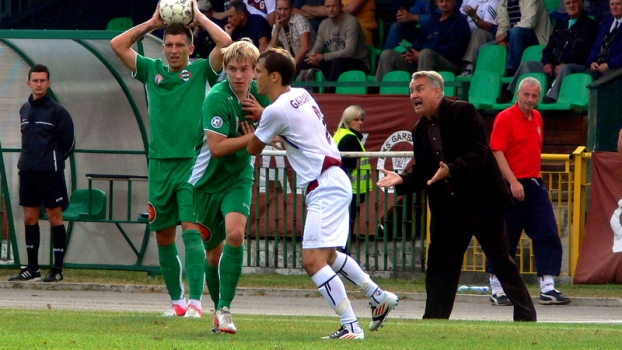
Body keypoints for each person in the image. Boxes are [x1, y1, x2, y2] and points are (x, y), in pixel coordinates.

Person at [247, 48, 400, 339]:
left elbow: (253, 148)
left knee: (312, 261)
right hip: (335, 179)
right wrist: (266, 116)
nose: (255, 76)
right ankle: (378, 296)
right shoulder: (301, 94)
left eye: (258, 71)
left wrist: (258, 122)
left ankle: (350, 326)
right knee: (329, 256)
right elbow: (292, 126)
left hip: (324, 185)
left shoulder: (276, 110)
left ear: (274, 76)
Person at [376, 70, 537, 322]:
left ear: (437, 91)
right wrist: (402, 180)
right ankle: (434, 320)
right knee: (440, 265)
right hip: (448, 209)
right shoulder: (419, 130)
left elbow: (479, 153)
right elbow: (424, 173)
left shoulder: (463, 112)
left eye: (419, 89)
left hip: (482, 201)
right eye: (411, 90)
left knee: (500, 260)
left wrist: (451, 168)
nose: (413, 95)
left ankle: (526, 316)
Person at [110, 0, 232, 318]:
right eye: (168, 45)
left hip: (193, 162)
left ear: (191, 48)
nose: (173, 50)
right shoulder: (152, 70)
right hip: (159, 163)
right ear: (162, 47)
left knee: (192, 232)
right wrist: (152, 23)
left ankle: (195, 303)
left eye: (180, 45)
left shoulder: (203, 69)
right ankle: (176, 302)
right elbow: (117, 44)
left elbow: (227, 44)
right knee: (163, 235)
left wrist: (200, 17)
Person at [188, 39, 270, 334]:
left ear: (254, 70)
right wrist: (253, 139)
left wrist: (264, 116)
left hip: (238, 177)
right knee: (213, 254)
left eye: (245, 69)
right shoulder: (217, 98)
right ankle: (216, 309)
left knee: (236, 233)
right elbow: (218, 146)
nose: (238, 75)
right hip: (206, 182)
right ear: (224, 69)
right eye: (232, 69)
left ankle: (225, 310)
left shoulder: (262, 96)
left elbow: (272, 132)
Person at [487, 77, 571, 306]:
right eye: (527, 95)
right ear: (518, 94)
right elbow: (497, 151)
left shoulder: (538, 117)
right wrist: (513, 182)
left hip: (534, 183)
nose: (530, 100)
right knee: (505, 238)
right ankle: (497, 287)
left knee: (548, 233)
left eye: (535, 96)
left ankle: (548, 286)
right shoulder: (505, 118)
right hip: (509, 184)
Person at [9, 64, 75, 283]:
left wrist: (52, 161)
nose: (38, 84)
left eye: (42, 80)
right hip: (28, 173)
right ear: (28, 83)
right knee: (29, 217)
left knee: (55, 218)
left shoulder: (58, 111)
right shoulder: (24, 110)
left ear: (48, 83)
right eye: (34, 80)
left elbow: (69, 143)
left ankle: (57, 269)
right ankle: (32, 268)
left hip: (51, 174)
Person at [505, 0, 597, 102]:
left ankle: (551, 97)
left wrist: (564, 63)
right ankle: (512, 94)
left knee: (565, 68)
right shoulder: (561, 25)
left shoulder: (589, 25)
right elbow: (549, 48)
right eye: (568, 3)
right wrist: (547, 63)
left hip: (576, 65)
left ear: (582, 4)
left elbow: (582, 51)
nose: (571, 5)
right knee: (526, 65)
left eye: (574, 2)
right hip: (554, 66)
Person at [375, 0, 470, 81]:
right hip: (422, 62)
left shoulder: (460, 21)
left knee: (425, 53)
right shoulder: (434, 19)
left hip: (447, 64)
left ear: (455, 1)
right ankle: (377, 94)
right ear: (436, 2)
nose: (444, 4)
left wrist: (420, 54)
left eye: (448, 0)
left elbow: (452, 50)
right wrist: (412, 53)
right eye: (441, 1)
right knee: (388, 55)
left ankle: (422, 95)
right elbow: (420, 41)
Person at [333, 106, 373, 255]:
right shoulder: (350, 138)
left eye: (362, 119)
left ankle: (340, 257)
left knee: (342, 226)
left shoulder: (341, 134)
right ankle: (343, 258)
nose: (360, 122)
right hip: (350, 190)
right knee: (347, 226)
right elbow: (348, 166)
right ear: (348, 120)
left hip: (342, 189)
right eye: (356, 119)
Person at [300, 0, 370, 80]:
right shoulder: (324, 24)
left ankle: (330, 92)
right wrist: (312, 57)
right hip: (335, 61)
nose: (331, 9)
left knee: (335, 62)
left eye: (334, 6)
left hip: (358, 62)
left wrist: (323, 57)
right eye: (328, 6)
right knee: (304, 62)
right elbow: (317, 48)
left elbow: (349, 52)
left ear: (341, 6)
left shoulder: (351, 22)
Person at [495, 0, 552, 75]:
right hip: (513, 37)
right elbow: (502, 26)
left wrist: (506, 35)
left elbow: (528, 23)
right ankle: (492, 78)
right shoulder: (503, 3)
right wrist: (500, 40)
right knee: (484, 47)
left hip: (538, 38)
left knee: (515, 33)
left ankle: (514, 71)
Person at [269, 0, 317, 74]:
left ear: (291, 10)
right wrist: (277, 30)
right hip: (293, 61)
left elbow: (305, 48)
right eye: (280, 9)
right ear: (275, 10)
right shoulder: (277, 25)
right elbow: (270, 50)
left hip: (310, 59)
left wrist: (291, 66)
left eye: (286, 9)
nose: (282, 13)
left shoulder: (299, 20)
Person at [457, 0, 500, 77]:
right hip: (468, 33)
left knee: (479, 32)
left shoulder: (493, 1)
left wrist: (474, 16)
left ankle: (469, 67)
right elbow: (460, 17)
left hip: (488, 35)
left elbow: (486, 26)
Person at [586, 0, 622, 79]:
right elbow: (596, 46)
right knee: (585, 76)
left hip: (615, 67)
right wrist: (592, 61)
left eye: (618, 4)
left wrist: (609, 64)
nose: (614, 7)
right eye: (612, 4)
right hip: (599, 65)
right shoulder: (606, 24)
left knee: (605, 81)